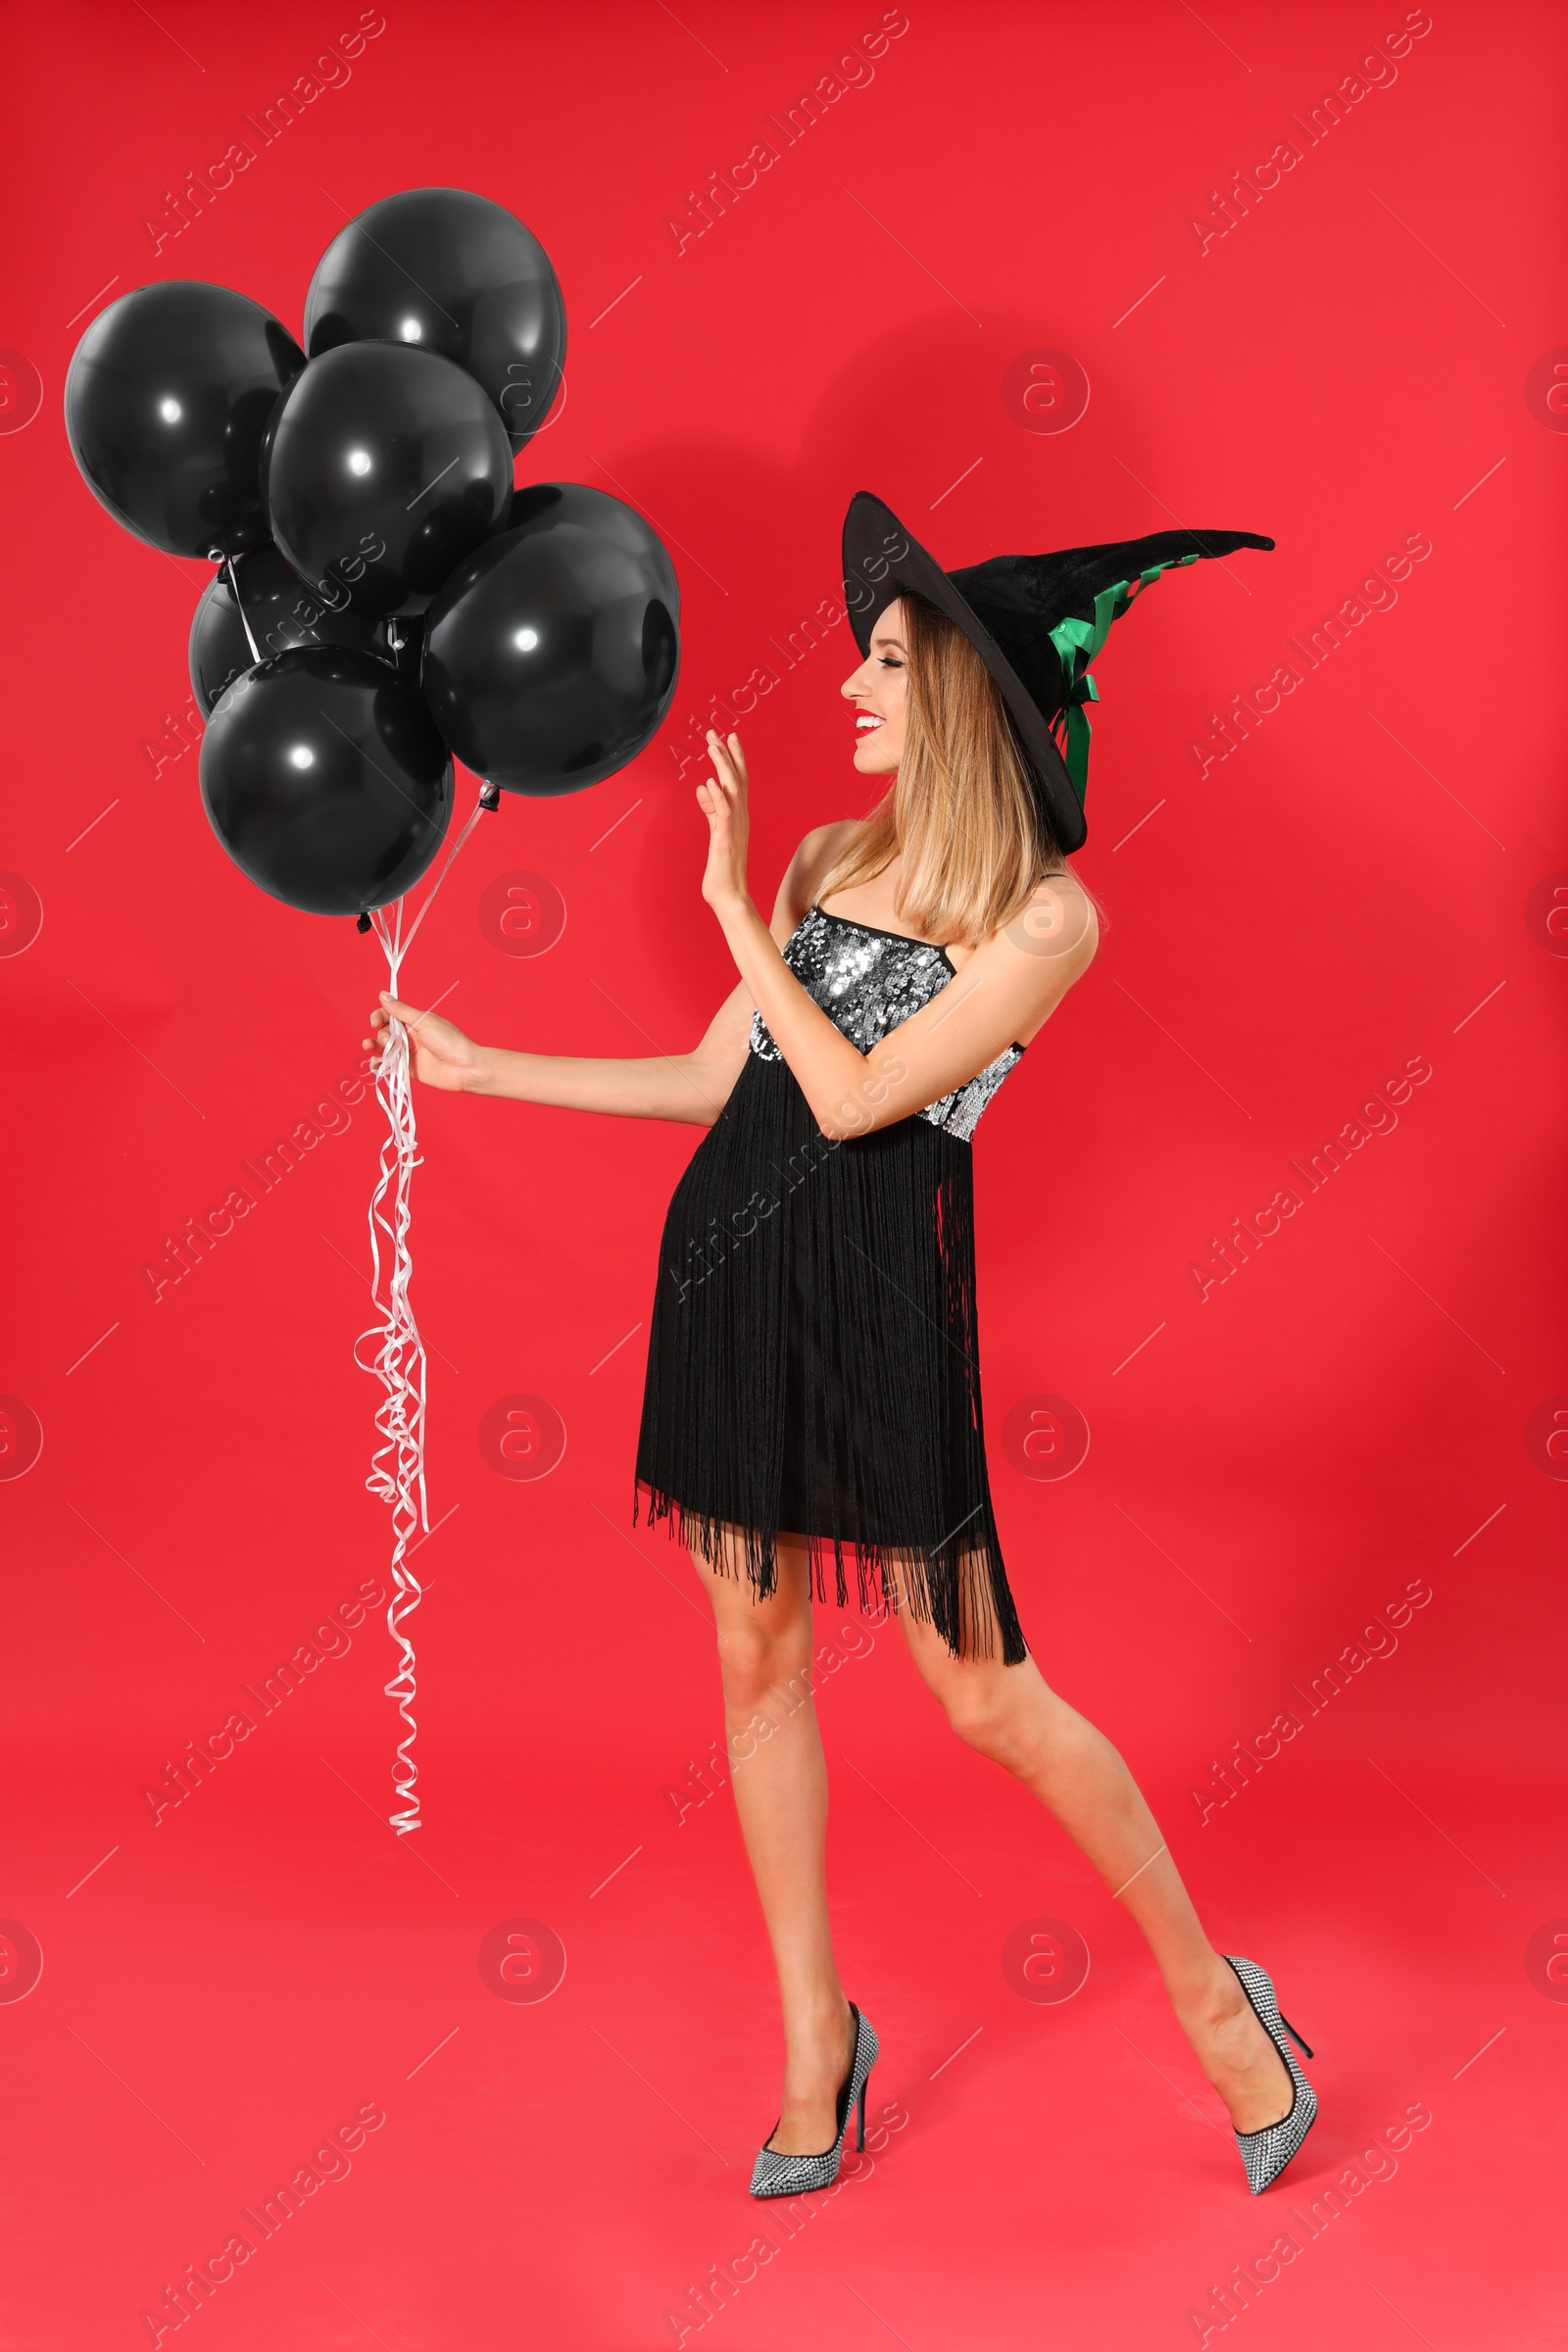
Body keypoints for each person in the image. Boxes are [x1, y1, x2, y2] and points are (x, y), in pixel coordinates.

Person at [366, 491, 1316, 2202]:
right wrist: (486, 1068)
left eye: (886, 662)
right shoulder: (827, 861)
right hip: (731, 1267)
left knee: (983, 1695)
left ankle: (1215, 1998)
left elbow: (870, 1093)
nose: (853, 688)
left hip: (878, 1292)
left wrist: (735, 913)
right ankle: (819, 2035)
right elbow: (725, 1082)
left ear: (962, 688)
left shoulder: (1044, 920)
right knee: (753, 1653)